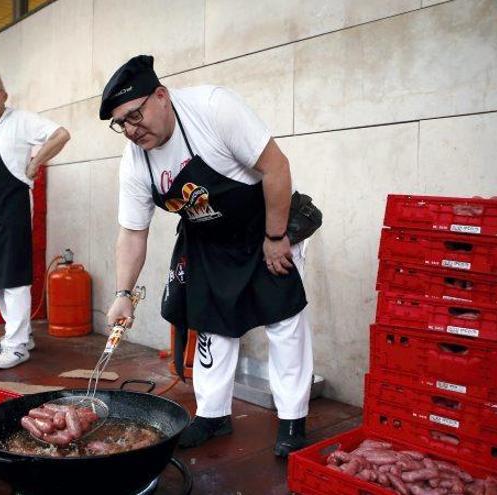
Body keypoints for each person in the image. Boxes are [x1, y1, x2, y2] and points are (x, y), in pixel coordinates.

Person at [101, 55, 313, 457]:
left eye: (135, 115)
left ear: (161, 96)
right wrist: (123, 293)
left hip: (262, 226)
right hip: (206, 240)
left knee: (284, 322)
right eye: (121, 124)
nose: (131, 130)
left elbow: (276, 168)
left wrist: (275, 235)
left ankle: (292, 419)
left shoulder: (212, 108)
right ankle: (213, 415)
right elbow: (132, 231)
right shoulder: (135, 162)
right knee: (211, 326)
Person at [0, 72, 71, 369]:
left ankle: (16, 346)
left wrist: (35, 161)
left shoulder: (21, 120)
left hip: (12, 208)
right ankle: (21, 335)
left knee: (14, 278)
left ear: (5, 94)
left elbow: (61, 134)